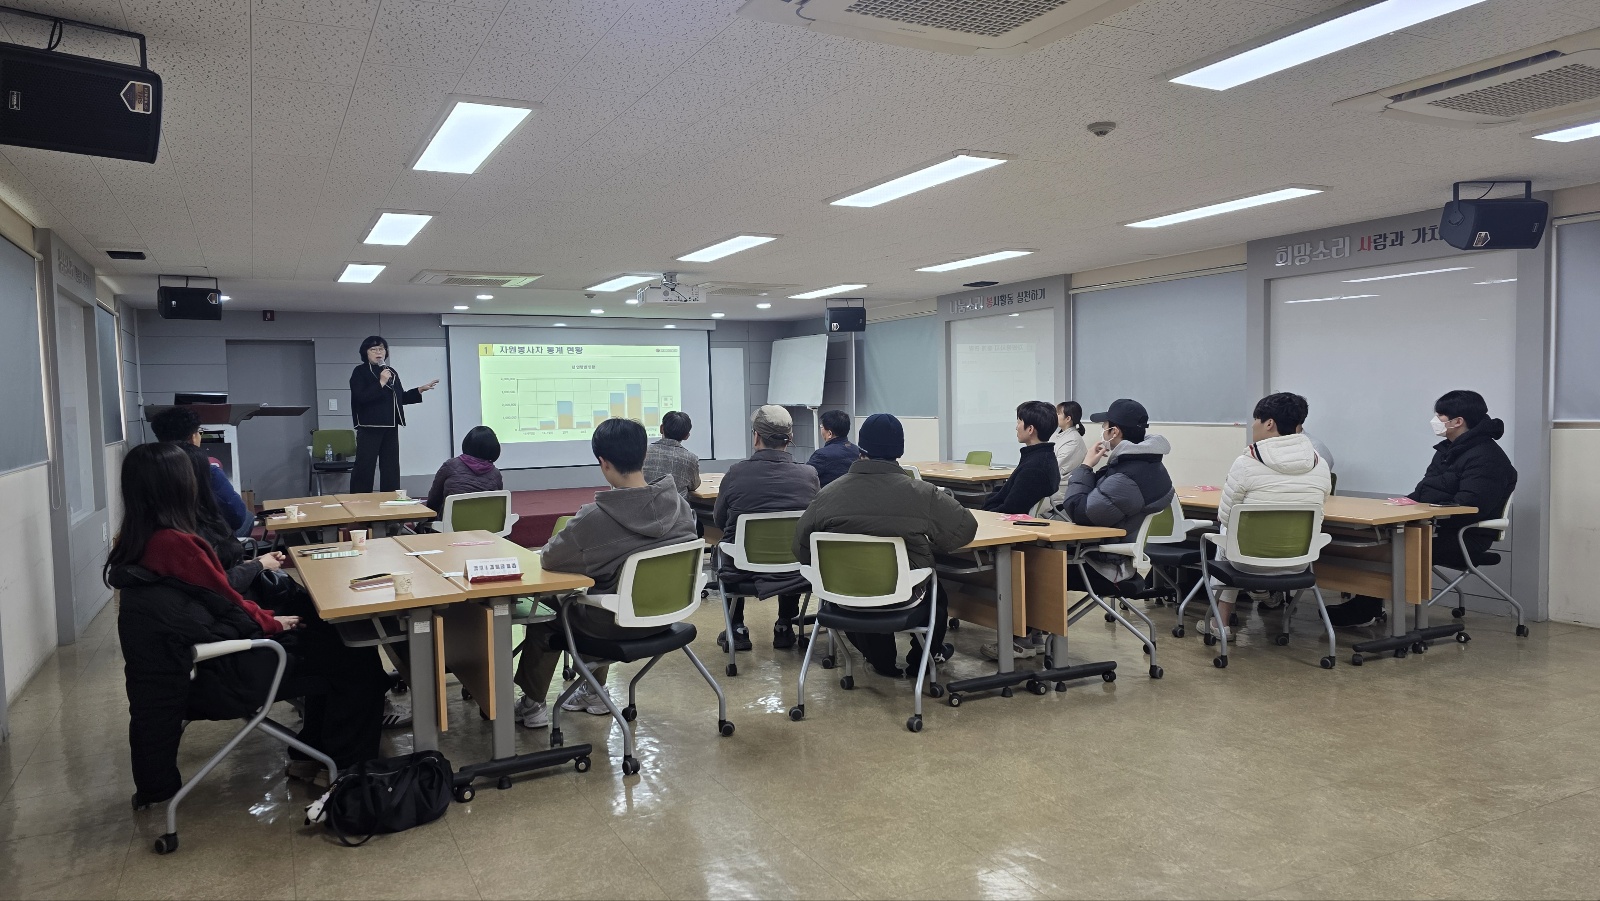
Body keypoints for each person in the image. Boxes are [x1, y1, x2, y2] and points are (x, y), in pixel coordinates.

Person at [108, 444, 387, 802]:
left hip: (202, 664)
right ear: (177, 486)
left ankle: (312, 755)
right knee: (356, 657)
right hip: (226, 673)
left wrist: (267, 619)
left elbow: (216, 601)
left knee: (329, 639)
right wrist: (271, 624)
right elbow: (225, 600)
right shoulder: (178, 545)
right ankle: (347, 767)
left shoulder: (139, 540)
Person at [511, 418, 698, 727]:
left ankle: (532, 706)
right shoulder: (679, 506)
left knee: (549, 611)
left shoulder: (595, 519)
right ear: (644, 455)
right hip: (667, 616)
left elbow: (551, 559)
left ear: (603, 462)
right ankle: (592, 694)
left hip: (615, 624)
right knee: (598, 595)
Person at [794, 413, 978, 678]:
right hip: (904, 595)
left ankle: (881, 660)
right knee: (936, 592)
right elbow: (965, 528)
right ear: (899, 450)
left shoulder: (827, 495)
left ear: (861, 448)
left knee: (861, 592)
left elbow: (800, 547)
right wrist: (933, 542)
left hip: (843, 594)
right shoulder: (921, 493)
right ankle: (922, 659)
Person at [1325, 389, 1517, 628]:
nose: (1435, 421)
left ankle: (1367, 609)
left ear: (1458, 421)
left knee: (1390, 546)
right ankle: (1366, 605)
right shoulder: (1448, 450)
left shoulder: (1487, 458)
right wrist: (1399, 506)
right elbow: (1424, 491)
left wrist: (1422, 515)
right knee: (1372, 538)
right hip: (1434, 526)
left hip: (1465, 536)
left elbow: (1470, 507)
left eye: (1440, 416)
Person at [1197, 393, 1331, 641]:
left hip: (1248, 562)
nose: (1252, 425)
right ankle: (1263, 593)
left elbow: (1225, 516)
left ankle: (1221, 621)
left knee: (1227, 533)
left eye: (1256, 419)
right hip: (1299, 562)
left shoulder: (1245, 462)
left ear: (1269, 423)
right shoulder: (1320, 464)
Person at [714, 405, 820, 651]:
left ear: (756, 437)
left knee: (727, 546)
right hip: (794, 572)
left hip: (743, 570)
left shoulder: (735, 474)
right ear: (790, 438)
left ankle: (737, 628)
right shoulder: (809, 475)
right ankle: (784, 625)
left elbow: (720, 521)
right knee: (794, 547)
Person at [349, 336, 438, 493]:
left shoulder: (391, 372)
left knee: (391, 467)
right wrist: (381, 382)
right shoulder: (360, 372)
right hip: (369, 426)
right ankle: (359, 500)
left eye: (381, 349)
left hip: (391, 425)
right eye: (373, 349)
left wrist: (419, 390)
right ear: (365, 352)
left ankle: (390, 499)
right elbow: (361, 397)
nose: (378, 352)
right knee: (365, 466)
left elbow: (399, 397)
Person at [149, 406, 248, 532]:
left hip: (159, 535)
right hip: (202, 536)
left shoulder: (149, 468)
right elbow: (236, 515)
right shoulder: (207, 469)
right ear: (192, 437)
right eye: (198, 431)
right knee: (248, 518)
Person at [982, 400, 1060, 515]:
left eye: (1019, 422)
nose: (1016, 427)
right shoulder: (1041, 457)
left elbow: (1010, 510)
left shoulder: (1034, 469)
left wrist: (984, 513)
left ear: (1030, 429)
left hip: (997, 520)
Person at [425, 425, 505, 516]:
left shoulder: (451, 465)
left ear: (467, 444)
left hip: (451, 524)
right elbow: (497, 506)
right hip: (485, 524)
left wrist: (427, 520)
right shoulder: (495, 474)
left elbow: (434, 499)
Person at [642, 411, 701, 500]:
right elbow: (694, 485)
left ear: (661, 428)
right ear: (687, 436)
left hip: (645, 506)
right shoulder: (691, 459)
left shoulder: (642, 452)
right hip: (676, 508)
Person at [1044, 401, 1088, 517]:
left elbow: (1053, 467)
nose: (1055, 416)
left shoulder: (1073, 440)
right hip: (1051, 484)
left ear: (1068, 418)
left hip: (1059, 490)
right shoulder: (1058, 435)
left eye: (1058, 413)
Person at [806, 410, 861, 487]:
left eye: (821, 427)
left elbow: (805, 478)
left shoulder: (821, 455)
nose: (820, 429)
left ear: (830, 433)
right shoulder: (858, 451)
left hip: (828, 494)